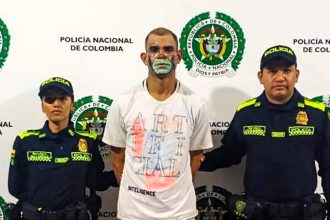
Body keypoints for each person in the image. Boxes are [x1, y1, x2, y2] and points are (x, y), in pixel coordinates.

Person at [200, 45, 330, 220]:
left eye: (287, 70)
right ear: (261, 76)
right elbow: (230, 153)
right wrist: (196, 162)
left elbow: (328, 165)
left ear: (296, 75)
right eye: (272, 71)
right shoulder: (246, 113)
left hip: (303, 213)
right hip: (257, 212)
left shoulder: (317, 113)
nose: (280, 78)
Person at [102, 27, 213, 220]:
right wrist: (136, 195)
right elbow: (117, 158)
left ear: (178, 56)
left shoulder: (196, 103)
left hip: (180, 213)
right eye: (154, 50)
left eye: (168, 49)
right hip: (133, 214)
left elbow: (195, 158)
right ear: (145, 58)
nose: (161, 55)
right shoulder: (123, 102)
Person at [8, 76, 115, 220]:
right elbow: (15, 187)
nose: (56, 104)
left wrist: (129, 175)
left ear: (72, 104)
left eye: (63, 98)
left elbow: (97, 181)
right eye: (49, 99)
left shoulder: (88, 141)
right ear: (42, 106)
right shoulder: (25, 141)